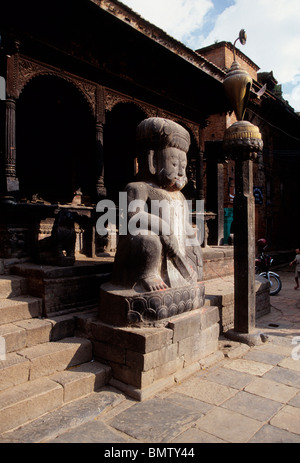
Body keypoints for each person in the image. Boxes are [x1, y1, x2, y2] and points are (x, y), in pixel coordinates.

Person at [110, 117, 203, 292]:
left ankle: (182, 277)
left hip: (175, 254)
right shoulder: (137, 188)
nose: (181, 171)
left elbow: (183, 224)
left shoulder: (180, 197)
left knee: (192, 242)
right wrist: (163, 228)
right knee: (148, 238)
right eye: (174, 164)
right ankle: (148, 274)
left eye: (184, 166)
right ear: (152, 160)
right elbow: (134, 217)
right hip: (138, 253)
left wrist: (191, 241)